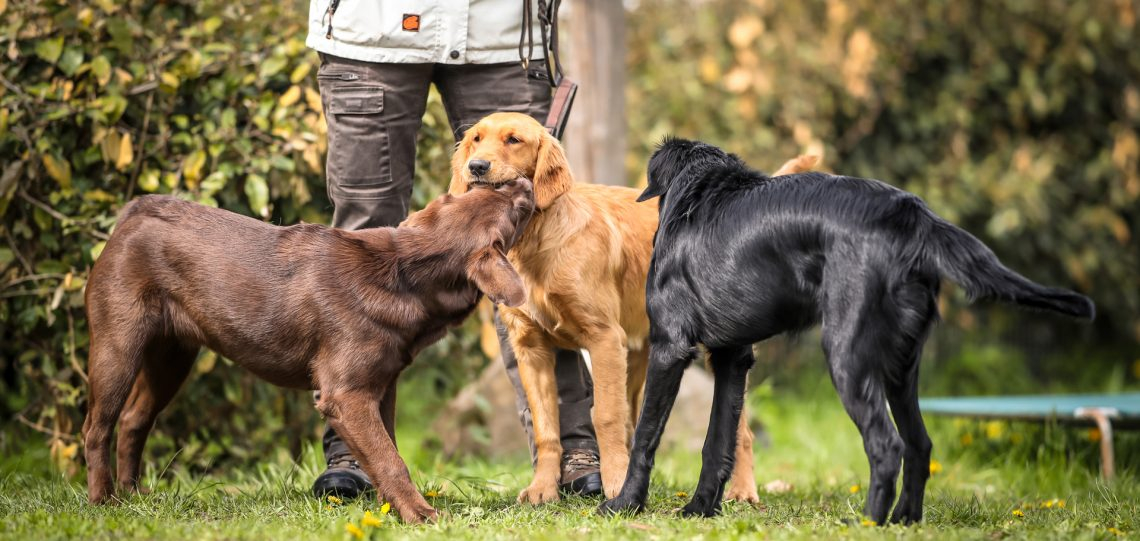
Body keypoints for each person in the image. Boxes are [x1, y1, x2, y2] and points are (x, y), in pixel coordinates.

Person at [304, 0, 603, 498]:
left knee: (538, 243)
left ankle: (572, 452)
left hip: (507, 35)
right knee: (363, 241)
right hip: (370, 32)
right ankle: (354, 453)